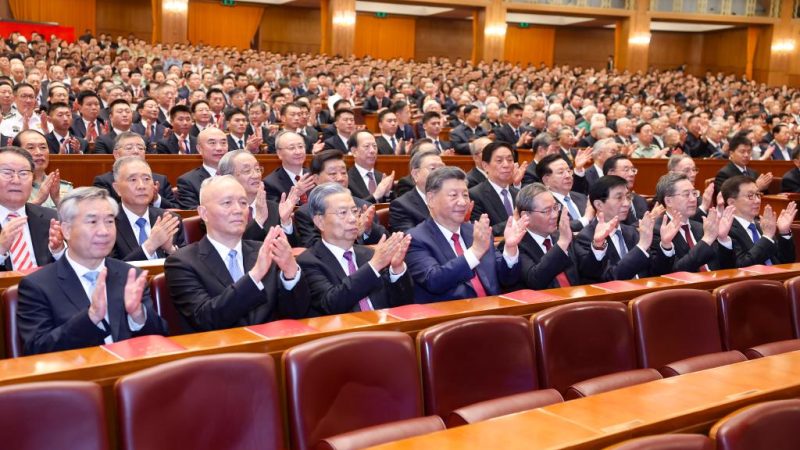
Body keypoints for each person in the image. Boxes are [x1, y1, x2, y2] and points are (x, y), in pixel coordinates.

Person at [17, 187, 167, 355]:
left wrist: (138, 315)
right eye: (92, 222)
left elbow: (160, 337)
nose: (104, 231)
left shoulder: (130, 276)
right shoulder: (37, 286)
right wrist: (91, 317)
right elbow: (37, 349)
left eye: (109, 221)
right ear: (66, 230)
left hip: (129, 374)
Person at [164, 175, 311, 332]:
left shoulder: (265, 250)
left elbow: (296, 315)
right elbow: (206, 319)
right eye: (227, 203)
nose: (238, 210)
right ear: (204, 213)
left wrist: (290, 273)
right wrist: (254, 276)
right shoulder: (181, 262)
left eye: (243, 203)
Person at [406, 167, 526, 303]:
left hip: (492, 312)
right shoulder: (415, 239)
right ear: (431, 199)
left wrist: (510, 249)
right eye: (453, 195)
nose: (463, 202)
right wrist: (475, 252)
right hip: (451, 318)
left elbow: (507, 279)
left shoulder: (475, 231)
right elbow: (434, 281)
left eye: (465, 195)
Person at [297, 183, 413, 315]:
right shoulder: (308, 261)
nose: (353, 219)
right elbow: (331, 304)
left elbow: (404, 304)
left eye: (354, 211)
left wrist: (396, 270)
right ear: (320, 222)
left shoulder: (370, 254)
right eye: (343, 213)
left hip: (385, 328)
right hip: (345, 333)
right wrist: (374, 266)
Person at [574, 175, 675, 282]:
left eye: (627, 197)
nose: (627, 204)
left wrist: (665, 245)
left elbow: (656, 272)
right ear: (599, 204)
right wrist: (641, 247)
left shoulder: (631, 232)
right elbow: (610, 279)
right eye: (619, 198)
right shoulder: (586, 238)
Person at [294, 150, 387, 247]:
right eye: (333, 174)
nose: (340, 178)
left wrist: (368, 229)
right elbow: (313, 247)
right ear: (316, 179)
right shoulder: (306, 213)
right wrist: (350, 234)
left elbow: (385, 242)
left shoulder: (364, 207)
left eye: (343, 172)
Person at [653, 173, 736, 272]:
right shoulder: (657, 230)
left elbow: (727, 268)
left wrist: (723, 239)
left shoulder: (700, 227)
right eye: (686, 194)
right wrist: (707, 240)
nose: (693, 199)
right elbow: (676, 272)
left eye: (694, 193)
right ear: (668, 201)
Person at [0, 146, 66, 271]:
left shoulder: (51, 218)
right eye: (7, 173)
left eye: (24, 173)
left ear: (33, 179)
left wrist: (59, 250)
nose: (16, 180)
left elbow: (75, 268)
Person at [217, 149, 299, 244]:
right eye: (247, 171)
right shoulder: (220, 211)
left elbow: (293, 249)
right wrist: (259, 220)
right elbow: (232, 247)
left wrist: (286, 222)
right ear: (229, 177)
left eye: (257, 169)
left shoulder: (275, 208)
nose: (256, 175)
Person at [111, 157, 185, 261]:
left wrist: (171, 250)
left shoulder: (170, 220)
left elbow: (189, 266)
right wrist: (150, 246)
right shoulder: (108, 224)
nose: (141, 186)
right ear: (117, 188)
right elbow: (110, 270)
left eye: (146, 179)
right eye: (133, 180)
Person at [515, 183, 582, 289]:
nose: (555, 215)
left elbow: (588, 271)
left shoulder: (563, 235)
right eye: (547, 211)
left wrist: (597, 246)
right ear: (526, 216)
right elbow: (535, 280)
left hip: (576, 300)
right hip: (547, 304)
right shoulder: (516, 245)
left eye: (555, 207)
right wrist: (562, 244)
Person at [721, 175, 796, 267]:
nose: (757, 201)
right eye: (750, 196)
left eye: (758, 195)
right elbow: (742, 266)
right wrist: (767, 237)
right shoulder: (725, 230)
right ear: (731, 202)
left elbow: (787, 262)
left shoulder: (761, 225)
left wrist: (784, 233)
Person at [92, 132, 178, 209]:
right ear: (116, 154)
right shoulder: (104, 181)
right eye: (129, 148)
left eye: (140, 148)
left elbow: (177, 210)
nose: (136, 151)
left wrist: (156, 199)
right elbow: (103, 211)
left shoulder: (160, 180)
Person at [469, 141, 519, 236]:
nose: (506, 165)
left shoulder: (518, 193)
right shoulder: (475, 195)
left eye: (510, 160)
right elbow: (480, 232)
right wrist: (514, 222)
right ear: (485, 166)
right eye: (499, 161)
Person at [14, 129, 73, 209]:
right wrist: (38, 201)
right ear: (17, 153)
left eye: (43, 147)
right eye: (31, 148)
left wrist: (57, 199)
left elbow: (75, 218)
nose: (39, 152)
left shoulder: (63, 187)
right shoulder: (11, 186)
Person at [389, 149, 444, 233]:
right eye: (433, 168)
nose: (439, 173)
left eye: (442, 168)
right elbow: (410, 239)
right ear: (415, 174)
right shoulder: (401, 206)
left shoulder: (451, 199)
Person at [537, 153, 593, 232]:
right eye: (561, 172)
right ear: (546, 180)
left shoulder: (582, 197)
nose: (568, 176)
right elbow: (556, 229)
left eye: (569, 171)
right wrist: (586, 219)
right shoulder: (543, 203)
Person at [176, 127, 228, 209]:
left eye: (223, 143)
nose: (219, 148)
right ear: (199, 149)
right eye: (212, 143)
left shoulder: (238, 174)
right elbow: (193, 214)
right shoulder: (188, 181)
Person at [262, 131, 316, 203]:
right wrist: (295, 195)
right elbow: (275, 212)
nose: (298, 152)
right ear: (279, 153)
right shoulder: (270, 183)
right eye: (291, 148)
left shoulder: (314, 176)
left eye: (300, 147)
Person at [347, 130, 395, 203]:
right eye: (367, 146)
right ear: (354, 151)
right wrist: (375, 196)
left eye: (374, 146)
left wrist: (387, 194)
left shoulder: (381, 177)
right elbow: (352, 208)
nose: (372, 151)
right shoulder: (347, 180)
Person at [604, 154, 649, 226]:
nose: (632, 174)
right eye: (626, 170)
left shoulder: (640, 200)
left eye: (633, 170)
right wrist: (646, 223)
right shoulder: (605, 199)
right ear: (611, 173)